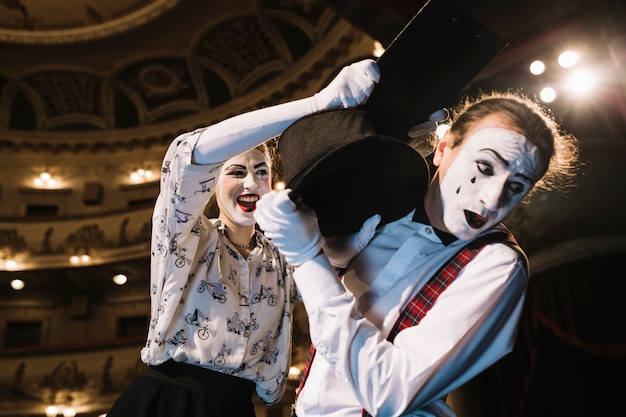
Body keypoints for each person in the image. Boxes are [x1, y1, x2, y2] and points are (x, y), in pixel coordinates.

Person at [254, 91, 580, 416]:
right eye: (485, 166)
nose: (493, 200)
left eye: (516, 186)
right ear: (443, 147)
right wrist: (330, 260)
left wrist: (310, 259)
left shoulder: (499, 263)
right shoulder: (384, 205)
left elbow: (389, 393)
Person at [105, 58, 380, 417]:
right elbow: (187, 156)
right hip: (167, 401)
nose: (251, 183)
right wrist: (317, 105)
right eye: (236, 171)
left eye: (261, 172)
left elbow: (325, 272)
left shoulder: (280, 256)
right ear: (214, 184)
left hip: (237, 407)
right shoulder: (185, 237)